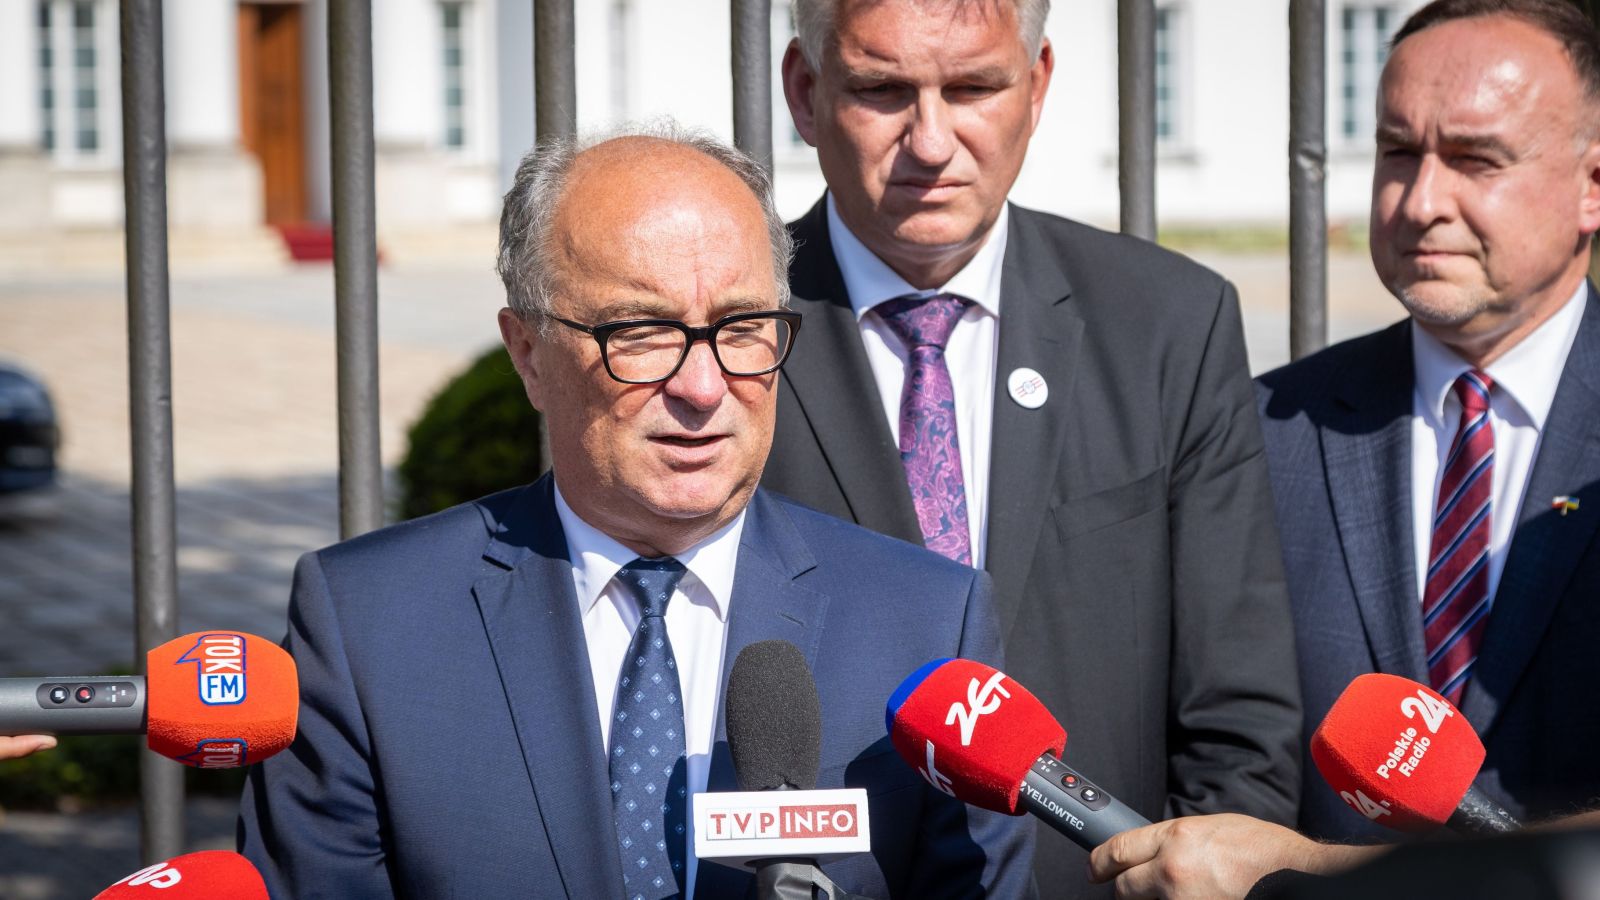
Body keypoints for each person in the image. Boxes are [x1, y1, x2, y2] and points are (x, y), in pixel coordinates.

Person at [236, 127, 1033, 898]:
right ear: (529, 354)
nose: (703, 387)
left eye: (742, 328)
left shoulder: (927, 624)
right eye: (643, 332)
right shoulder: (369, 624)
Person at [760, 0, 1303, 891]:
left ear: (1038, 81)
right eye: (882, 91)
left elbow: (1240, 720)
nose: (931, 142)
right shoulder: (726, 339)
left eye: (973, 87)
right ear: (804, 90)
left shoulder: (1168, 323)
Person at [1255, 0, 1600, 841]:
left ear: (1592, 187)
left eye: (1476, 160)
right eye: (1398, 152)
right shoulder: (1266, 427)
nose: (1420, 203)